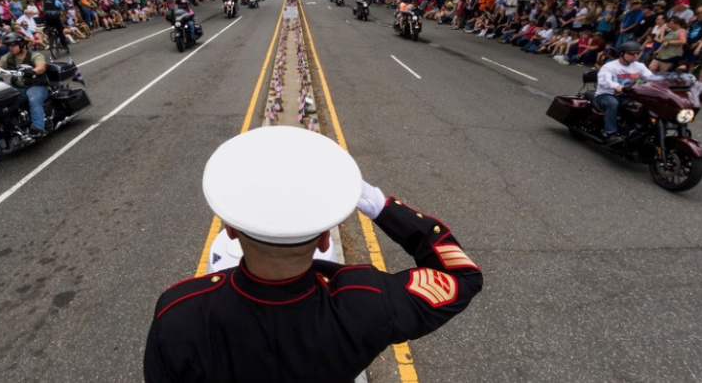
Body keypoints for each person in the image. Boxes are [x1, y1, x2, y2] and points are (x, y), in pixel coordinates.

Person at [144, 126, 483, 383]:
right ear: (325, 239)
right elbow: (462, 276)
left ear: (230, 230)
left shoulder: (179, 313)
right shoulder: (365, 302)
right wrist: (380, 206)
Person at [595, 41, 655, 145]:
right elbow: (604, 81)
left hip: (628, 95)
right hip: (607, 94)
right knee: (612, 104)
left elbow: (651, 77)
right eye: (632, 53)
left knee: (645, 106)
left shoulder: (639, 66)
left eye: (637, 53)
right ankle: (610, 134)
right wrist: (617, 86)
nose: (635, 56)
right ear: (622, 53)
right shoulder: (610, 66)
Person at [0, 32, 49, 136]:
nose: (11, 48)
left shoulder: (34, 55)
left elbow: (41, 67)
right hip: (18, 87)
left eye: (13, 45)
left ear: (21, 44)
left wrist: (33, 71)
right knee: (2, 99)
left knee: (34, 100)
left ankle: (38, 127)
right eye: (8, 45)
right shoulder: (8, 57)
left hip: (36, 86)